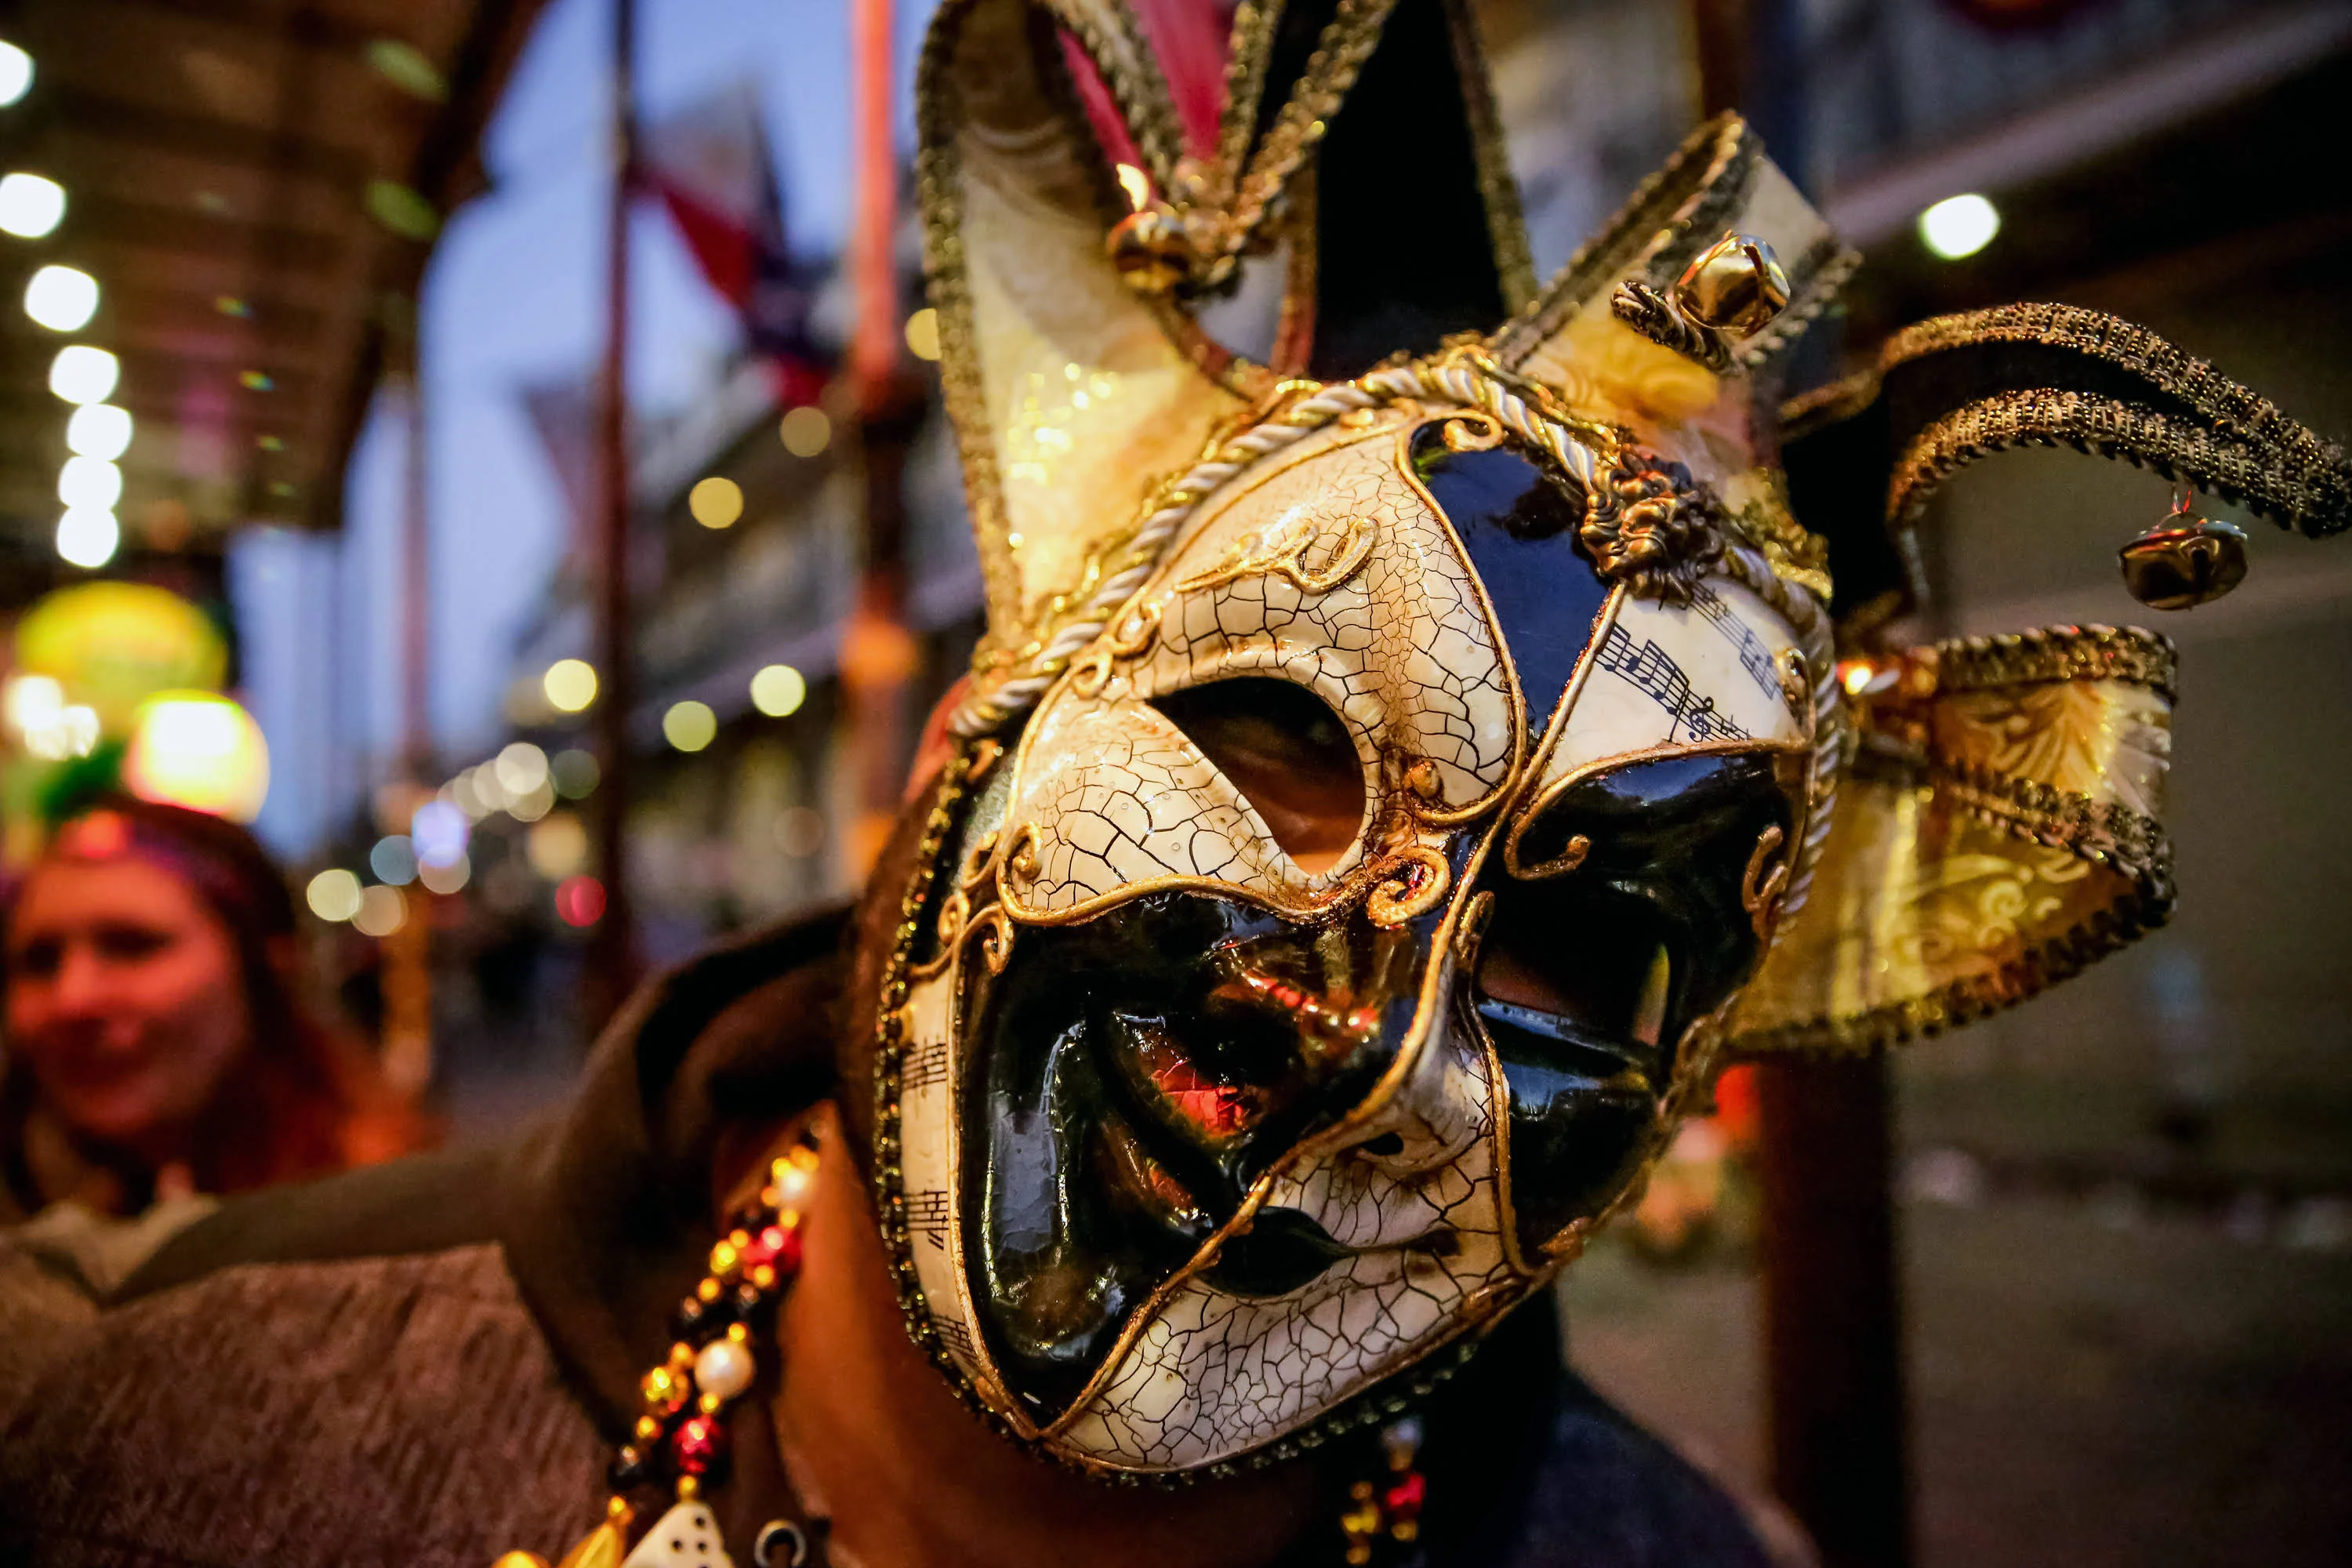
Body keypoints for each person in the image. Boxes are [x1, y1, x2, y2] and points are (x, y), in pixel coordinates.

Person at [2, 2, 2343, 1565]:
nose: (1358, 1017)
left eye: (1562, 941)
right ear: (960, 755)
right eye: (1281, 749)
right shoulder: (155, 1440)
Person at [0, 796, 426, 1221]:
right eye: (39, 961)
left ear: (266, 972)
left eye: (132, 945)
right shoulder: (77, 1225)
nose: (74, 1000)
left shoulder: (382, 1223)